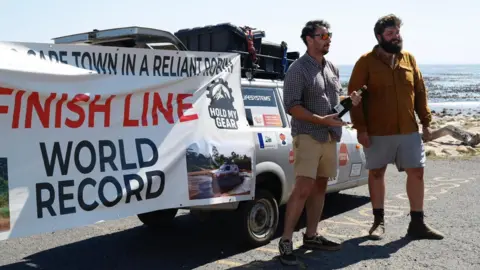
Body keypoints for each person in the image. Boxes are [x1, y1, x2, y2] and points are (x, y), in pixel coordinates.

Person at [347, 14, 444, 241]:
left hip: (408, 129)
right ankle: (378, 222)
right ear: (379, 37)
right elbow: (355, 97)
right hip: (378, 131)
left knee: (417, 172)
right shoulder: (365, 62)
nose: (395, 37)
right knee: (377, 172)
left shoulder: (409, 59)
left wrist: (426, 123)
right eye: (390, 33)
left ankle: (417, 224)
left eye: (397, 32)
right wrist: (361, 128)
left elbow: (420, 92)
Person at [279, 20, 362, 266]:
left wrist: (350, 100)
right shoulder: (297, 69)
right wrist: (320, 120)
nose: (328, 39)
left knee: (320, 185)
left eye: (329, 35)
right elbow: (292, 106)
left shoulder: (332, 68)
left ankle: (311, 236)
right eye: (323, 35)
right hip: (307, 135)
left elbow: (334, 105)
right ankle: (285, 241)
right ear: (309, 39)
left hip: (329, 137)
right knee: (303, 188)